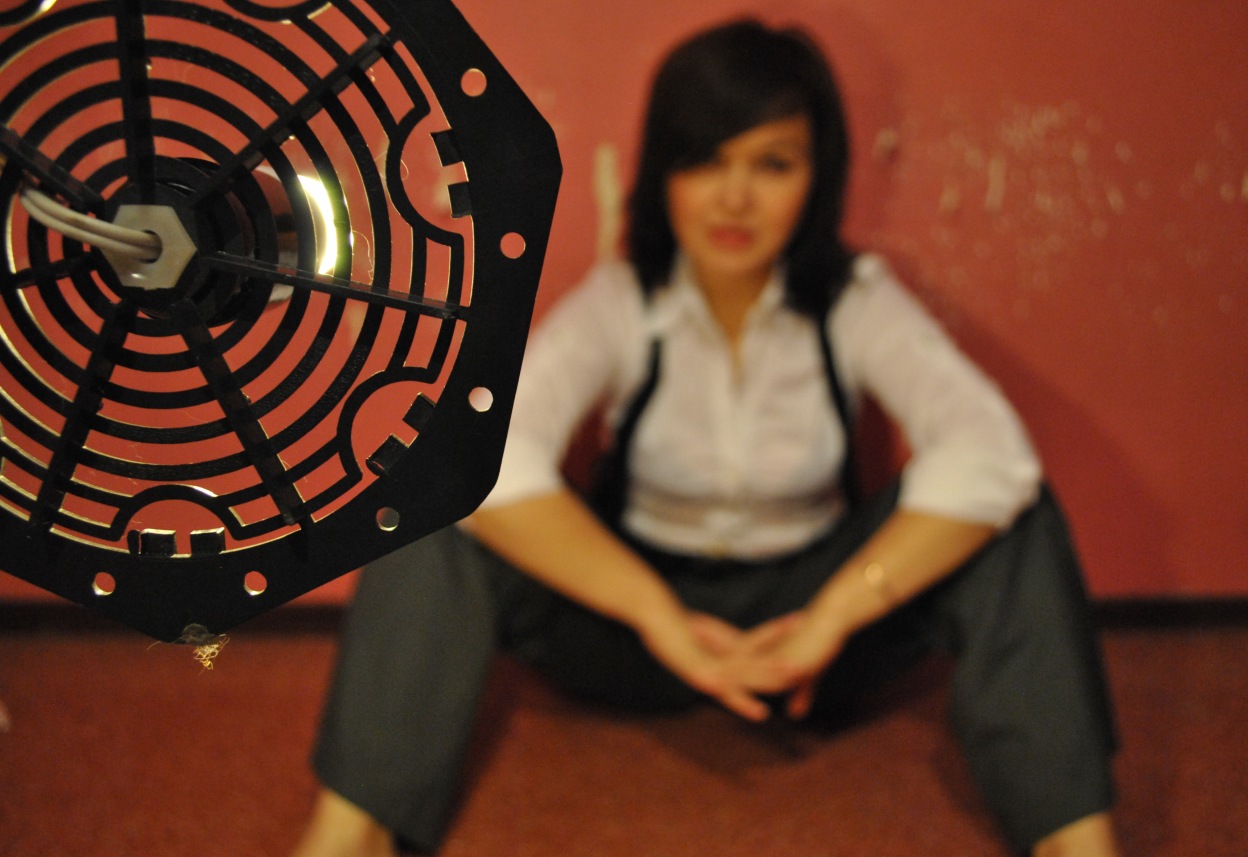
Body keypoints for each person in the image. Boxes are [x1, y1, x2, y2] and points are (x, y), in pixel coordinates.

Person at [292, 19, 1122, 857]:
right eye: (705, 161)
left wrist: (833, 615)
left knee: (1017, 520)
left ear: (817, 177)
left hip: (812, 625)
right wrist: (657, 614)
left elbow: (991, 452)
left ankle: (1077, 840)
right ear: (665, 172)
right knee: (432, 510)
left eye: (773, 164)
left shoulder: (855, 300)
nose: (734, 199)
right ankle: (347, 832)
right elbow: (488, 459)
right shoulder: (623, 300)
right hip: (638, 623)